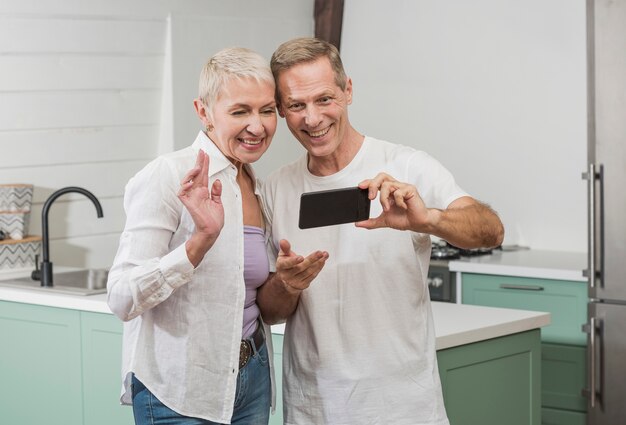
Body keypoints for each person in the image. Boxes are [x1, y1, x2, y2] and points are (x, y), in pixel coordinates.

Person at [256, 37, 505, 425]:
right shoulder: (275, 188)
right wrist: (287, 284)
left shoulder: (407, 165)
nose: (313, 118)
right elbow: (270, 312)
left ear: (348, 90)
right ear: (282, 110)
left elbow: (491, 230)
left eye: (324, 99)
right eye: (296, 106)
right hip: (313, 408)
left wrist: (429, 220)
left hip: (404, 407)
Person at [107, 47, 278, 425]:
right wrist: (198, 242)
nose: (258, 125)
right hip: (179, 390)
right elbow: (121, 297)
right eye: (239, 111)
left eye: (267, 110)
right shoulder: (168, 176)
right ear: (203, 112)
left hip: (252, 380)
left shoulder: (255, 184)